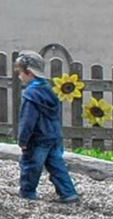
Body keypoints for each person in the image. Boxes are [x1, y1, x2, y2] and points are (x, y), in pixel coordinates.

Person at [15, 50, 80, 204]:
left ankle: (27, 192)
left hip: (37, 138)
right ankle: (68, 193)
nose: (19, 77)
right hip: (54, 135)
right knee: (57, 165)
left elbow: (28, 120)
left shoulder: (31, 94)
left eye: (20, 73)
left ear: (29, 73)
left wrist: (23, 139)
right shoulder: (48, 89)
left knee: (31, 165)